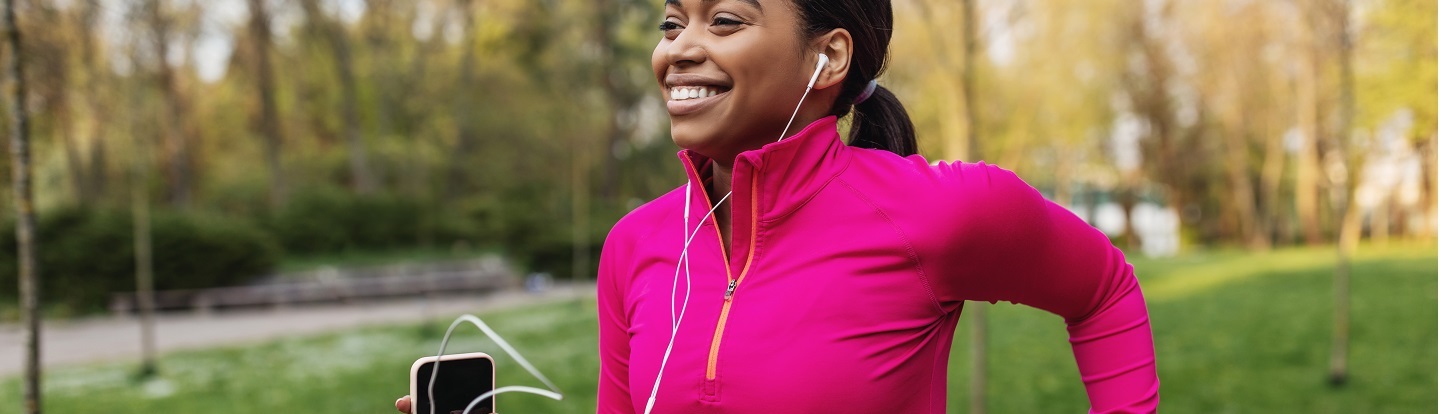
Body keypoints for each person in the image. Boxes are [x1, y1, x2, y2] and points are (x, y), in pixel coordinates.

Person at [398, 0, 1158, 412]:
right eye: (672, 22)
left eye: (724, 20)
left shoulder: (935, 211)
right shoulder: (635, 245)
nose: (679, 49)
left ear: (827, 56)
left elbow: (1104, 290)